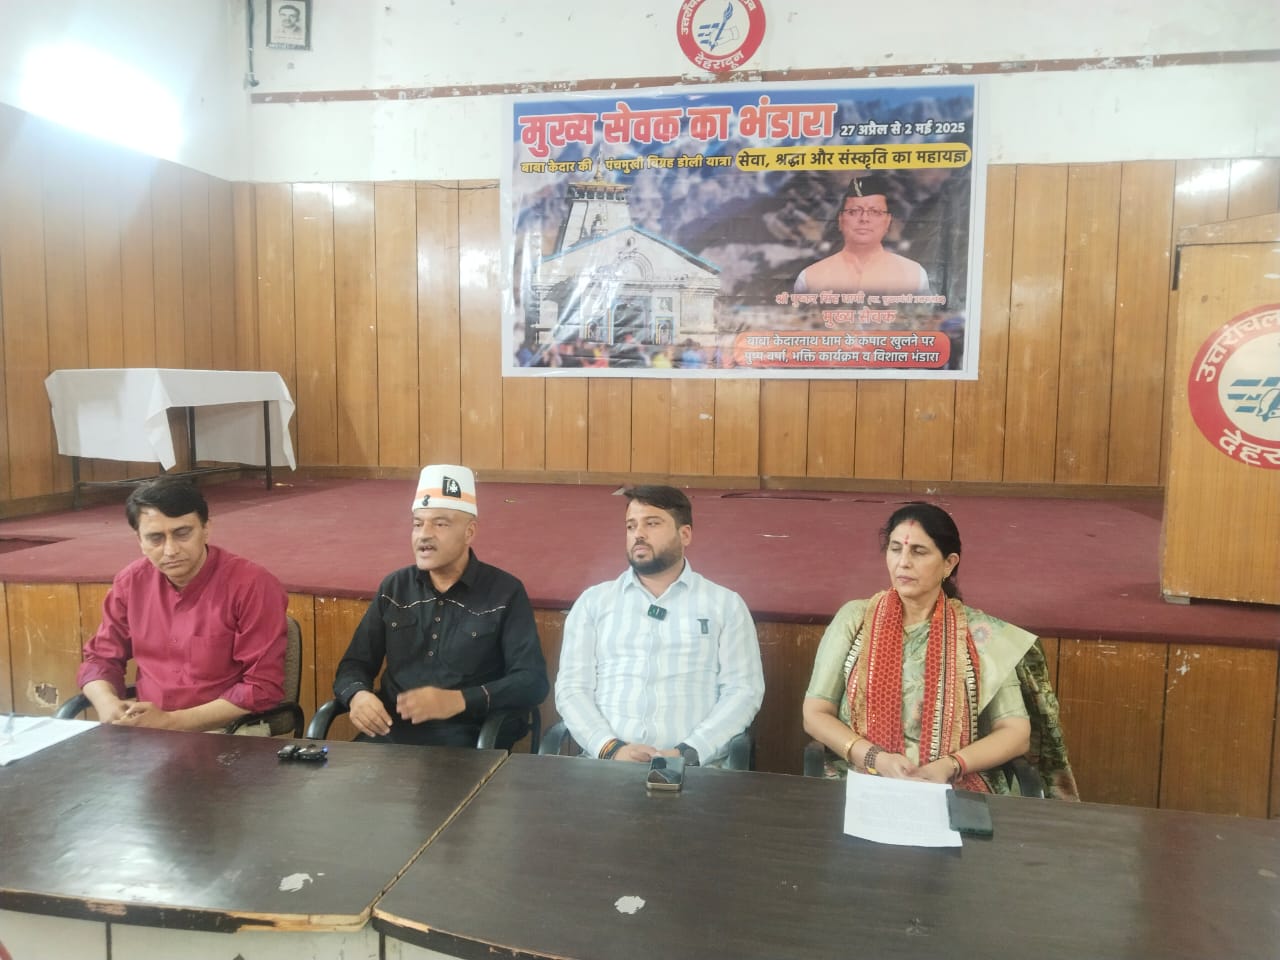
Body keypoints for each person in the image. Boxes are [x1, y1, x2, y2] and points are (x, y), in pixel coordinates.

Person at [803, 501, 1055, 793]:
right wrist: (877, 759)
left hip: (953, 782)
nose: (903, 562)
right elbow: (815, 713)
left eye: (918, 551)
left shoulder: (980, 634)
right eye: (895, 549)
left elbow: (1015, 732)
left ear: (949, 563)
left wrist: (950, 765)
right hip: (862, 776)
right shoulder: (855, 619)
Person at [332, 464, 549, 747]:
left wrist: (459, 700)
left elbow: (532, 681)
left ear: (469, 532)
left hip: (467, 743)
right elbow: (354, 664)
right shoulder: (395, 587)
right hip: (390, 737)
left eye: (440, 524)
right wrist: (357, 695)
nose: (424, 534)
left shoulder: (504, 593)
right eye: (417, 524)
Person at [555, 485, 764, 767]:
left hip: (697, 770)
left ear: (685, 534)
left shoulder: (725, 605)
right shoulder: (594, 603)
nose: (638, 534)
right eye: (631, 526)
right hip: (606, 766)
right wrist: (610, 748)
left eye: (652, 523)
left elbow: (743, 691)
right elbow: (572, 689)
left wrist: (688, 752)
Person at [75, 477, 288, 732]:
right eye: (155, 538)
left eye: (182, 533)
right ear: (139, 541)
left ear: (206, 529)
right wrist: (107, 703)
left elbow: (262, 687)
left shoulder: (252, 585)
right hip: (148, 731)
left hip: (228, 731)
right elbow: (100, 659)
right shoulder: (131, 582)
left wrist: (172, 722)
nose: (170, 550)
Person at [793, 174, 931, 296]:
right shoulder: (809, 277)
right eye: (854, 212)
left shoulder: (914, 274)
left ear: (887, 222)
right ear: (841, 220)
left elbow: (925, 315)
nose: (864, 219)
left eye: (874, 212)